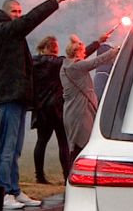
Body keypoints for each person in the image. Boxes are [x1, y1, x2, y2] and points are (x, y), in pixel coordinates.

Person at [0, 0, 76, 210]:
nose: (18, 14)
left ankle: (14, 189)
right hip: (9, 95)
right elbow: (30, 19)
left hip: (18, 97)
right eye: (14, 11)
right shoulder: (3, 29)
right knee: (7, 146)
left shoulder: (12, 32)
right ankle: (4, 191)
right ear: (4, 13)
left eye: (20, 11)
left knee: (15, 147)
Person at [31, 31, 108, 184]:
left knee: (41, 141)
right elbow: (80, 61)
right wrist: (97, 43)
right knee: (63, 143)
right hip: (57, 107)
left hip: (41, 107)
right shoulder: (60, 63)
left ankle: (39, 175)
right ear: (53, 48)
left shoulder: (33, 62)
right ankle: (67, 175)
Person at [61, 35, 120, 161]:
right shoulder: (75, 67)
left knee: (78, 147)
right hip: (79, 113)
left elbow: (87, 57)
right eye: (82, 51)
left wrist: (98, 42)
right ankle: (73, 176)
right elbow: (97, 61)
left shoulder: (67, 65)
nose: (84, 53)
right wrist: (115, 50)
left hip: (75, 111)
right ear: (77, 52)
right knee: (80, 148)